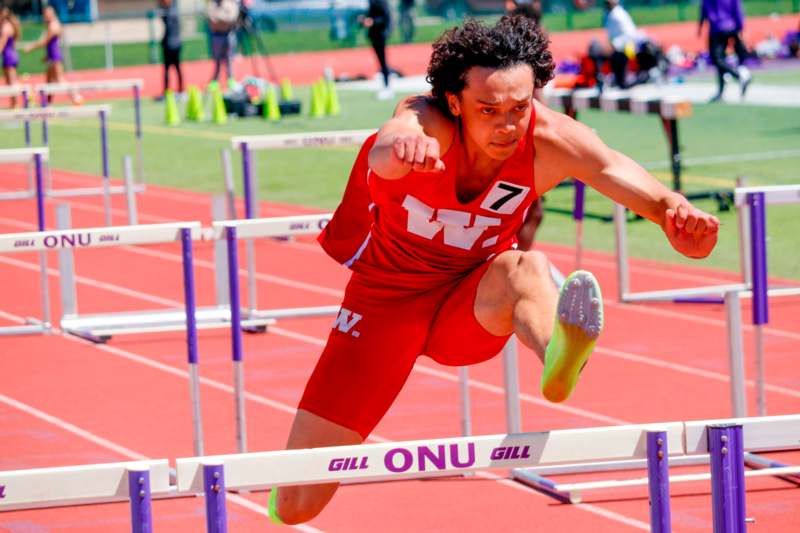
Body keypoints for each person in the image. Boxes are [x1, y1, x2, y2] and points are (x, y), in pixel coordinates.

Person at [269, 16, 719, 525]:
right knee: (296, 505)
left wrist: (672, 211)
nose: (507, 126)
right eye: (488, 110)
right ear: (455, 102)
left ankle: (559, 355)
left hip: (471, 298)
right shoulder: (426, 121)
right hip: (384, 304)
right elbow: (387, 149)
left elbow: (614, 169)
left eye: (519, 108)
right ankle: (292, 486)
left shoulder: (550, 139)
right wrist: (402, 150)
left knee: (527, 267)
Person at [23, 6, 81, 104]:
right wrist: (47, 56)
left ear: (52, 14)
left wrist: (30, 47)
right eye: (44, 14)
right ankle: (47, 102)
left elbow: (45, 41)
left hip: (55, 56)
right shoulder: (52, 25)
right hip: (51, 56)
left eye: (46, 14)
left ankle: (76, 97)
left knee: (60, 79)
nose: (45, 16)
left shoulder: (53, 25)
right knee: (49, 81)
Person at [699, 0, 752, 102]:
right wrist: (741, 27)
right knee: (721, 60)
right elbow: (737, 9)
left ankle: (739, 76)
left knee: (718, 60)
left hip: (717, 29)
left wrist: (700, 26)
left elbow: (705, 9)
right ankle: (721, 92)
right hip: (732, 27)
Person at [360, 0, 394, 100]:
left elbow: (385, 18)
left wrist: (373, 21)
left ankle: (388, 87)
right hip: (374, 35)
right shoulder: (371, 1)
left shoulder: (381, 2)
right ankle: (385, 85)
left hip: (380, 34)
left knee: (383, 61)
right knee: (380, 61)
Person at [206, 0, 239, 87]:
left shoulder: (230, 4)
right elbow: (211, 21)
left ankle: (230, 79)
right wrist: (223, 19)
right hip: (216, 35)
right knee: (217, 60)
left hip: (228, 34)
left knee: (229, 59)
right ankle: (215, 81)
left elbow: (231, 19)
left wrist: (219, 19)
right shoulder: (212, 4)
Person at [157, 0, 183, 100]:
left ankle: (176, 91)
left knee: (173, 68)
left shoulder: (170, 12)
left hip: (171, 44)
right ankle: (173, 91)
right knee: (173, 69)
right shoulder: (172, 11)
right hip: (173, 43)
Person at [0, 7, 20, 108]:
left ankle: (16, 104)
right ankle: (14, 104)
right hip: (11, 54)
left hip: (9, 56)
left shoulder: (5, 27)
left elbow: (2, 44)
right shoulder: (10, 25)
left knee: (12, 82)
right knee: (10, 81)